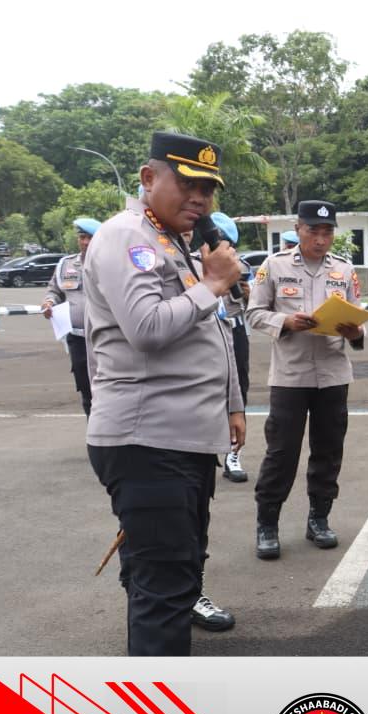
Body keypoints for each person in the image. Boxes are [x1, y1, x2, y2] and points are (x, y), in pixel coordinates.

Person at [84, 131, 244, 655]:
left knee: (171, 573)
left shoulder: (173, 241)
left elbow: (214, 332)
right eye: (188, 183)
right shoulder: (126, 237)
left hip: (182, 438)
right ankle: (163, 702)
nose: (200, 198)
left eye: (208, 189)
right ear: (149, 178)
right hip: (148, 440)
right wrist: (212, 285)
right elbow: (148, 328)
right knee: (167, 589)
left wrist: (232, 404)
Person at [246, 200, 365, 560]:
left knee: (328, 451)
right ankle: (267, 524)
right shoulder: (274, 266)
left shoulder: (344, 270)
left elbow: (358, 320)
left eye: (327, 232)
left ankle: (319, 519)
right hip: (290, 376)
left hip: (333, 374)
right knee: (282, 453)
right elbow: (254, 313)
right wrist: (285, 321)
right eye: (313, 230)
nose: (321, 238)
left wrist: (356, 332)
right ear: (298, 228)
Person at [207, 212, 252, 483]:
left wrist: (249, 295)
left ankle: (233, 456)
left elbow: (257, 306)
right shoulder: (193, 264)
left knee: (238, 392)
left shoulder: (242, 268)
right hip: (206, 332)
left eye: (226, 243)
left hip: (235, 332)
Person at [41, 217, 100, 416]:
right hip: (77, 338)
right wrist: (49, 303)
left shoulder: (109, 263)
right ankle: (92, 430)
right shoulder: (65, 265)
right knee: (85, 390)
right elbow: (54, 291)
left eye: (90, 238)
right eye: (82, 237)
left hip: (103, 337)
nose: (85, 242)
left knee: (108, 388)